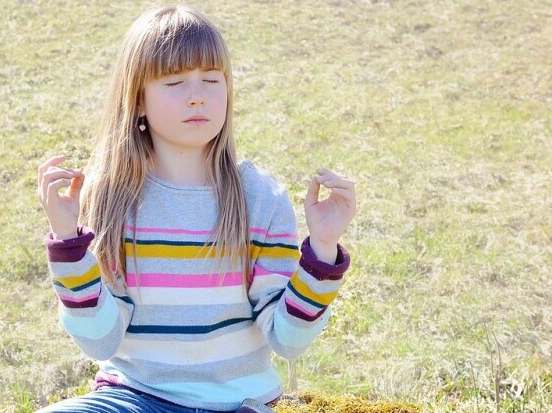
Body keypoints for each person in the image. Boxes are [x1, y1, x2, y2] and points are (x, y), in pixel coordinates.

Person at [35, 5, 356, 412]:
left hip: (238, 404)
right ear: (138, 100)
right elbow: (99, 340)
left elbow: (288, 340)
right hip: (134, 399)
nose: (197, 96)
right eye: (174, 82)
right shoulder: (112, 198)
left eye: (210, 79)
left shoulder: (260, 200)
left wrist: (323, 249)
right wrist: (68, 242)